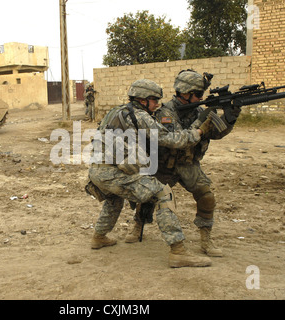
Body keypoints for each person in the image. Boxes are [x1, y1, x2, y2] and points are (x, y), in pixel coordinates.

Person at [86, 79, 218, 268]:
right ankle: (178, 252)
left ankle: (99, 237)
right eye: (154, 100)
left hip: (97, 172)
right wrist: (197, 132)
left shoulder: (116, 111)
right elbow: (171, 140)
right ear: (142, 99)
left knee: (114, 198)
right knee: (163, 193)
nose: (157, 104)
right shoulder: (140, 116)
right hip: (115, 173)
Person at [126, 69, 239, 257]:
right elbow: (177, 137)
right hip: (164, 164)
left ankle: (205, 240)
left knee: (207, 197)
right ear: (185, 93)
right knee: (147, 198)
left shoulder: (200, 111)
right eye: (198, 94)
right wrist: (201, 123)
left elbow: (216, 133)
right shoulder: (164, 112)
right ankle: (138, 225)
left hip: (188, 164)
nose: (200, 98)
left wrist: (230, 117)